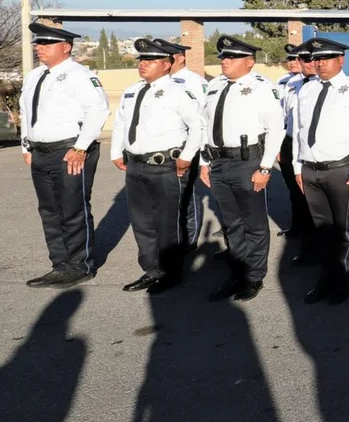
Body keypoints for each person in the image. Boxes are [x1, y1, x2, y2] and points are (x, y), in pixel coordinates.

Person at [110, 38, 205, 294]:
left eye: (150, 60)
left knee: (166, 223)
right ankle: (152, 270)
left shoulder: (178, 91)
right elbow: (120, 123)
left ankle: (171, 271)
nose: (143, 65)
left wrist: (186, 156)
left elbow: (198, 125)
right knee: (142, 222)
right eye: (142, 60)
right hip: (136, 166)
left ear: (167, 64)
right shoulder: (132, 91)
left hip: (166, 165)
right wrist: (116, 151)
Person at [21, 23, 111, 289]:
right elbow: (27, 114)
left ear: (65, 47)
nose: (39, 48)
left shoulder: (79, 75)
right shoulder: (35, 75)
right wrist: (27, 147)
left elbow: (98, 110)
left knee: (73, 208)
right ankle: (60, 265)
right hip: (41, 152)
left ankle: (79, 266)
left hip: (70, 151)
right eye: (38, 44)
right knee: (49, 210)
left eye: (46, 44)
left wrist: (81, 147)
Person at [292, 37, 349, 305]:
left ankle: (343, 281)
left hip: (340, 170)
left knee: (344, 229)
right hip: (310, 169)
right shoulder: (307, 90)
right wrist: (298, 166)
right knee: (323, 230)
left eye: (325, 58)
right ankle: (326, 278)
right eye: (316, 58)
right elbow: (299, 131)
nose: (319, 63)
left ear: (340, 60)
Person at [201, 36, 287, 303]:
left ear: (249, 62)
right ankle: (237, 272)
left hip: (247, 161)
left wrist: (264, 167)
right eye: (224, 57)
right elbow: (204, 124)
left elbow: (276, 129)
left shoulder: (261, 87)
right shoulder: (214, 85)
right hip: (218, 162)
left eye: (232, 57)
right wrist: (204, 161)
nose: (225, 61)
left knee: (254, 224)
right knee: (232, 223)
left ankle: (254, 276)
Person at [157, 41, 208, 251]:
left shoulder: (194, 82)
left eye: (168, 55)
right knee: (169, 195)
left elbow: (203, 117)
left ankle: (190, 238)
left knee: (187, 192)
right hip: (164, 146)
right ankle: (174, 235)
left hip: (187, 144)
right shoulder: (162, 81)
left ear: (180, 58)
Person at [278, 45, 316, 242]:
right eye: (303, 60)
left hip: (312, 145)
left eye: (310, 59)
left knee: (311, 191)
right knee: (294, 188)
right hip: (290, 141)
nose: (307, 64)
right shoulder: (292, 83)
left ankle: (313, 236)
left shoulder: (324, 85)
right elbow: (282, 115)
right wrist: (279, 146)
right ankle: (298, 225)